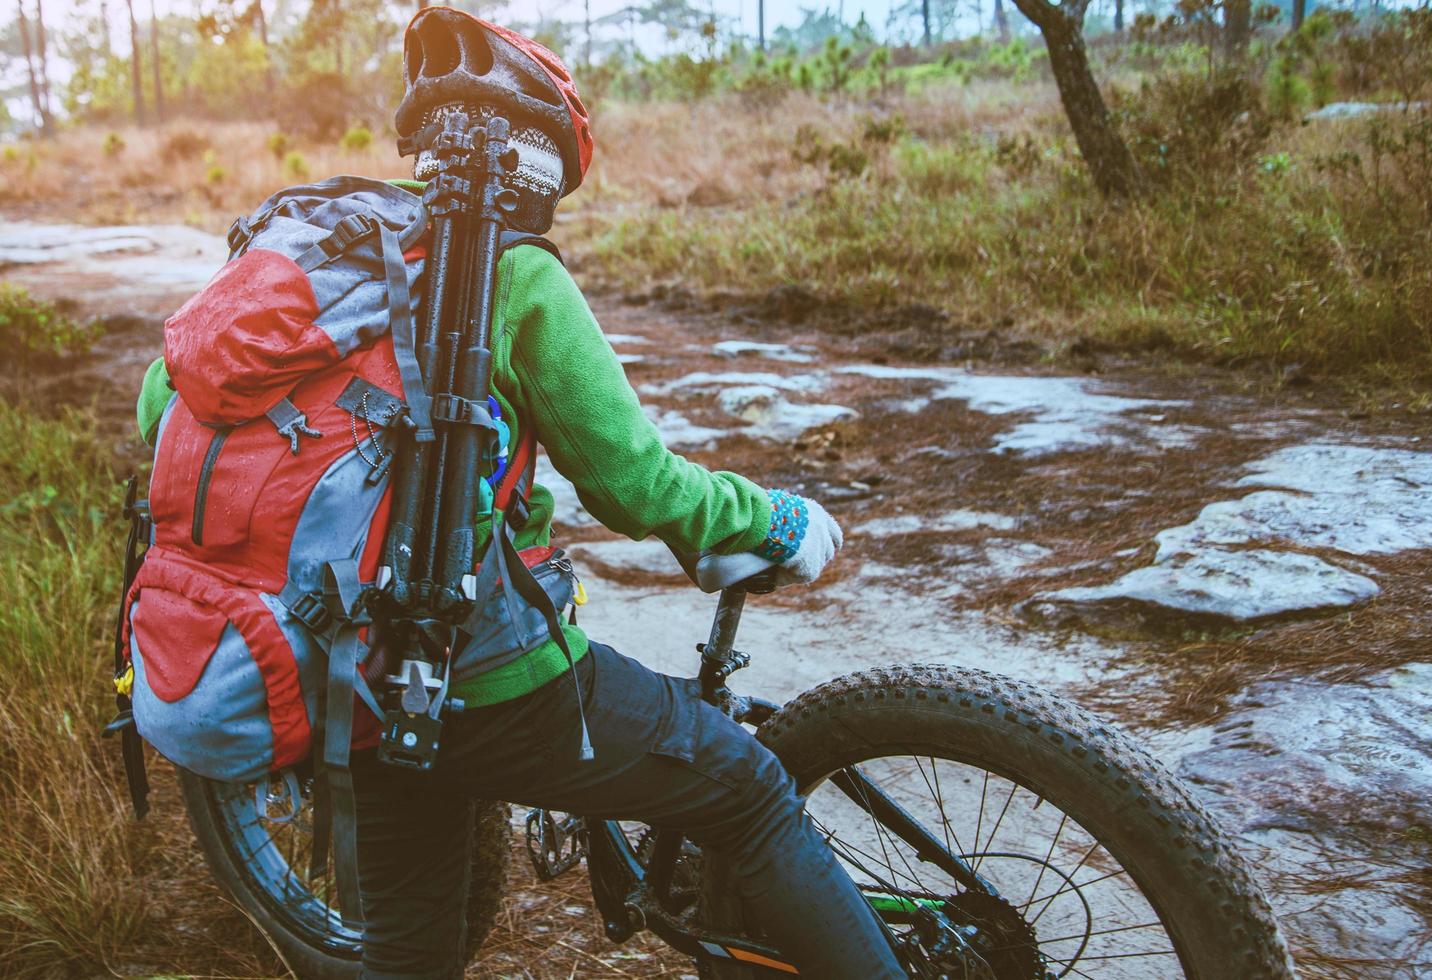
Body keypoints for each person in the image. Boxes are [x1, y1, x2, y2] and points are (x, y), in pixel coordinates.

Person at [137, 8, 904, 978]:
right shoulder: (514, 273)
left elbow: (158, 405)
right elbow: (640, 486)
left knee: (410, 951)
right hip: (499, 687)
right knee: (749, 791)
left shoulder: (304, 260)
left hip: (358, 684)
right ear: (538, 160)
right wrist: (777, 520)